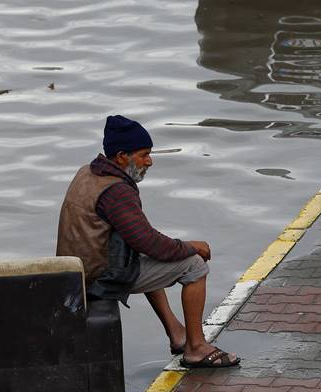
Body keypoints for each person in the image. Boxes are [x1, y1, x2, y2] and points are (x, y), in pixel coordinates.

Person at [56, 115, 239, 368]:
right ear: (121, 157)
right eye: (143, 155)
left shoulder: (88, 172)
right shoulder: (117, 191)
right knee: (194, 265)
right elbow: (151, 244)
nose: (149, 161)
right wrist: (191, 246)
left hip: (75, 272)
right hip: (98, 279)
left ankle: (177, 334)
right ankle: (196, 348)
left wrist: (167, 246)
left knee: (149, 252)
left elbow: (141, 239)